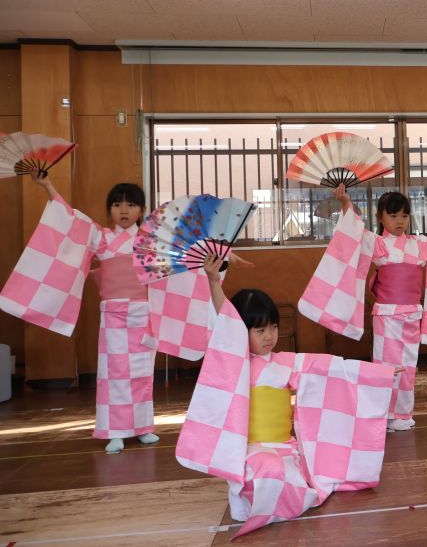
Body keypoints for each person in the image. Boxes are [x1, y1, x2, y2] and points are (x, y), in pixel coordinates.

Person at [175, 256, 396, 537]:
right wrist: (213, 280)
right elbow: (225, 322)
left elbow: (334, 369)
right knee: (264, 472)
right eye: (259, 330)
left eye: (273, 327)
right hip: (249, 448)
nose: (269, 336)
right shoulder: (235, 362)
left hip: (284, 447)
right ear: (240, 332)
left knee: (290, 480)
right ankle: (246, 496)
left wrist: (381, 374)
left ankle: (263, 499)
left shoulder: (286, 361)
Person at [299, 185, 427, 431]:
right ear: (380, 217)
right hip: (387, 315)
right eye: (393, 216)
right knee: (385, 364)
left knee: (409, 366)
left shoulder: (419, 244)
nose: (399, 221)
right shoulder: (378, 244)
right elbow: (354, 231)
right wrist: (346, 203)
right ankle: (384, 413)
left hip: (411, 313)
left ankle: (402, 413)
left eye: (404, 215)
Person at [0, 173, 160, 453]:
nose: (124, 210)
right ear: (109, 209)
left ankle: (144, 427)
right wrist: (48, 186)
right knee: (114, 373)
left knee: (142, 372)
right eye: (117, 204)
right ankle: (116, 432)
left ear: (142, 210)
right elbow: (71, 219)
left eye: (131, 204)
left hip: (143, 314)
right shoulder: (101, 236)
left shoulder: (149, 241)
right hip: (113, 314)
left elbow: (180, 261)